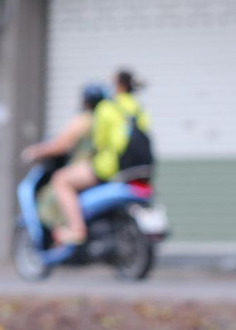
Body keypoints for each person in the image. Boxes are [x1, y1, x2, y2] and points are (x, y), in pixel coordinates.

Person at [32, 71, 154, 246]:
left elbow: (99, 141)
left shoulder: (107, 108)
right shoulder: (138, 108)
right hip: (136, 167)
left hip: (108, 167)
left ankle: (76, 228)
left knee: (61, 179)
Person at [23, 83, 105, 234]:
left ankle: (76, 227)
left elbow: (60, 145)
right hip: (101, 166)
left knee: (59, 180)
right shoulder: (103, 119)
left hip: (88, 166)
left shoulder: (84, 120)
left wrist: (35, 151)